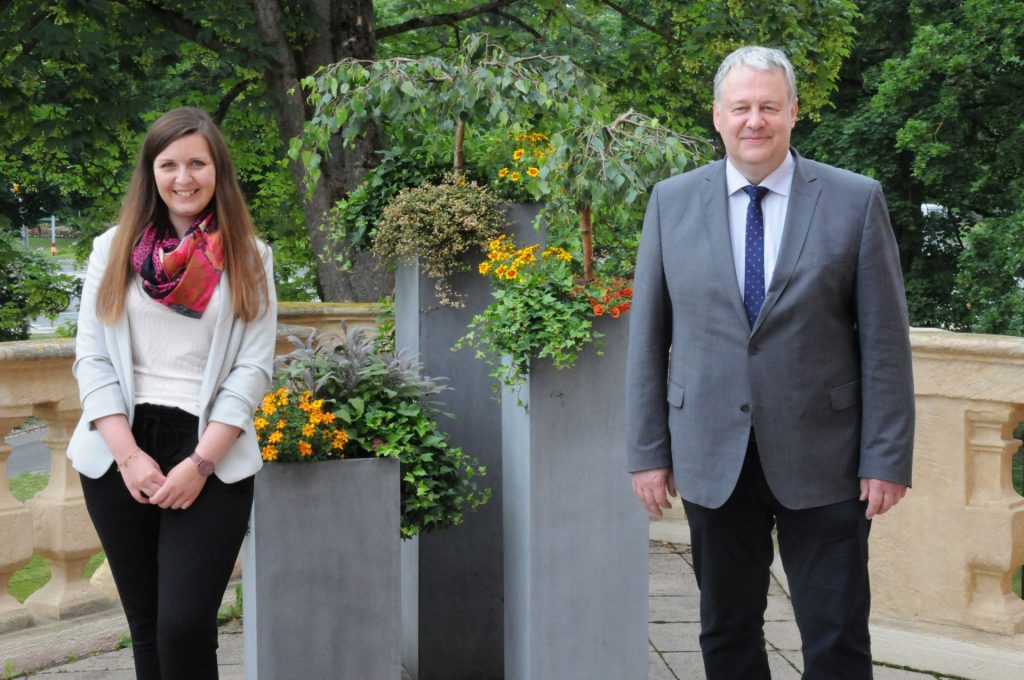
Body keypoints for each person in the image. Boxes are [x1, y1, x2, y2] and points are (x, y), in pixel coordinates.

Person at [626, 46, 914, 680]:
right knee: (726, 633)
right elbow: (647, 336)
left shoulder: (854, 200)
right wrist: (648, 450)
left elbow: (886, 344)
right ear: (717, 116)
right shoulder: (671, 202)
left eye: (768, 107)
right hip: (710, 453)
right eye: (741, 107)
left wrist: (886, 458)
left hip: (828, 458)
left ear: (793, 113)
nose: (754, 120)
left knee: (837, 636)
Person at [68, 106, 277, 680]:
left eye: (197, 163)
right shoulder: (111, 250)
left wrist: (200, 463)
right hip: (121, 447)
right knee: (149, 627)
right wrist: (127, 456)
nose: (183, 178)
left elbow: (251, 369)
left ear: (218, 171)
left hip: (210, 447)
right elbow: (91, 360)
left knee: (185, 624)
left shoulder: (250, 256)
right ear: (151, 172)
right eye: (169, 164)